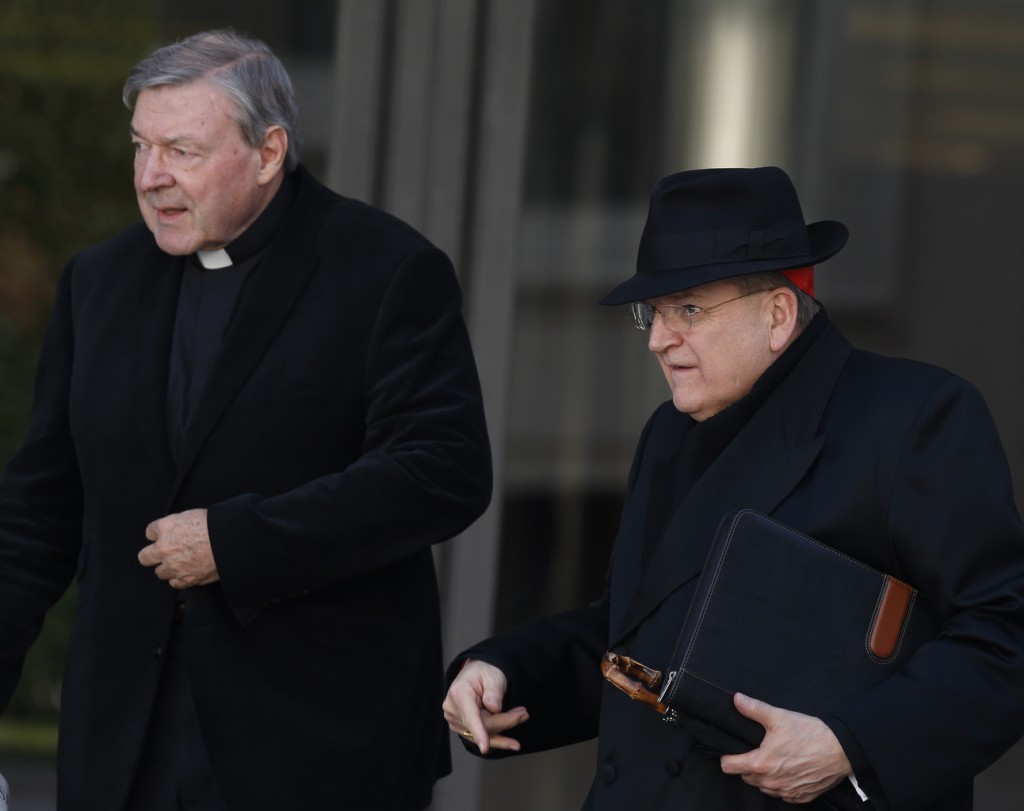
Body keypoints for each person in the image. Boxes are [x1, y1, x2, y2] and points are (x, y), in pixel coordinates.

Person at [0, 29, 491, 810]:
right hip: (120, 748)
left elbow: (443, 471)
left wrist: (236, 541)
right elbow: (38, 511)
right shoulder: (98, 281)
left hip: (313, 747)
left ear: (268, 152)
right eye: (140, 147)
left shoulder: (387, 270)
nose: (151, 177)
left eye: (183, 152)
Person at [443, 166, 1024, 810]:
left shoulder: (913, 417)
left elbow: (1007, 635)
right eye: (654, 313)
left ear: (777, 315)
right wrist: (502, 671)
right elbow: (636, 641)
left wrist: (850, 747)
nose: (660, 341)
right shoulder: (669, 432)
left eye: (688, 309)